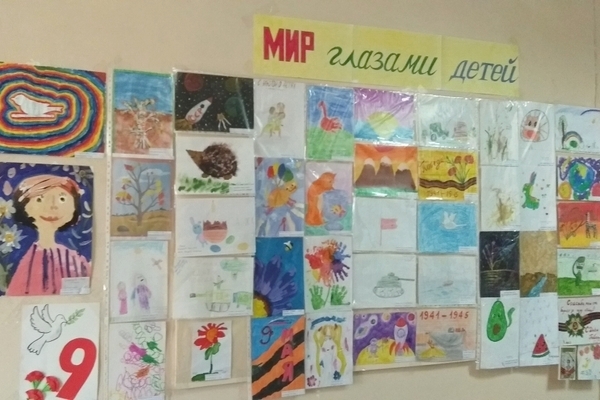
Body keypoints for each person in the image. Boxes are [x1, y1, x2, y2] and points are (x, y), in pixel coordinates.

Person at [7, 174, 91, 295]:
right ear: (24, 207)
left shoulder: (73, 259)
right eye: (39, 200)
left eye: (62, 199)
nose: (52, 206)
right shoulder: (29, 262)